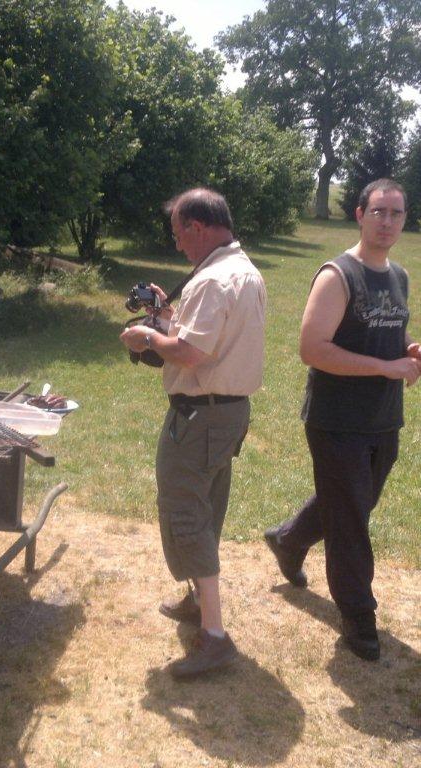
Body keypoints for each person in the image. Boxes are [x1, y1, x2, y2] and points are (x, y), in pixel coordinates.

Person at [265, 179, 421, 661]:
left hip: (383, 418)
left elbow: (384, 331)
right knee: (351, 518)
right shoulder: (338, 275)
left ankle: (288, 539)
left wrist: (407, 349)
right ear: (359, 214)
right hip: (336, 420)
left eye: (396, 213)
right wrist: (386, 367)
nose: (387, 221)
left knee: (352, 502)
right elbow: (313, 349)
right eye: (378, 211)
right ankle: (358, 614)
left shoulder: (398, 276)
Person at [120, 188, 266, 678]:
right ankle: (198, 601)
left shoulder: (213, 280)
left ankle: (215, 637)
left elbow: (188, 354)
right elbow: (208, 340)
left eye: (179, 233)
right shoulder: (242, 270)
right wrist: (167, 316)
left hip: (200, 416)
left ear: (197, 227)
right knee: (206, 506)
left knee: (185, 511)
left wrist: (145, 335)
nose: (178, 243)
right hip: (227, 413)